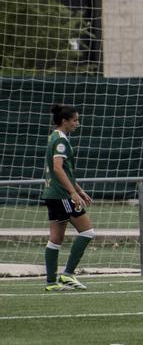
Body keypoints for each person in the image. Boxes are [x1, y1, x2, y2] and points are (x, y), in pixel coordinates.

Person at [42, 104, 94, 291]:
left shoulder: (53, 137)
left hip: (52, 194)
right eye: (75, 120)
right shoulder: (61, 141)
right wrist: (72, 192)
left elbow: (64, 171)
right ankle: (68, 274)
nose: (77, 123)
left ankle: (50, 283)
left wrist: (78, 189)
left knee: (55, 238)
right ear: (64, 121)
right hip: (61, 194)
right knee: (88, 232)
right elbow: (57, 168)